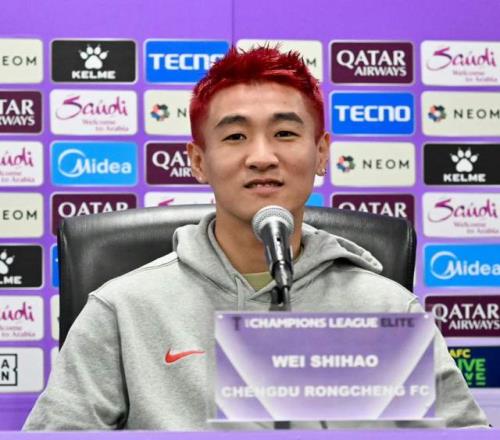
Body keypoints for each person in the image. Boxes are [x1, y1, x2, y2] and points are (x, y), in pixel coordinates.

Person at [23, 46, 489, 430]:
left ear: (321, 153)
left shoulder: (386, 308)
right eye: (235, 137)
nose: (262, 156)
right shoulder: (123, 309)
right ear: (198, 161)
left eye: (284, 133)